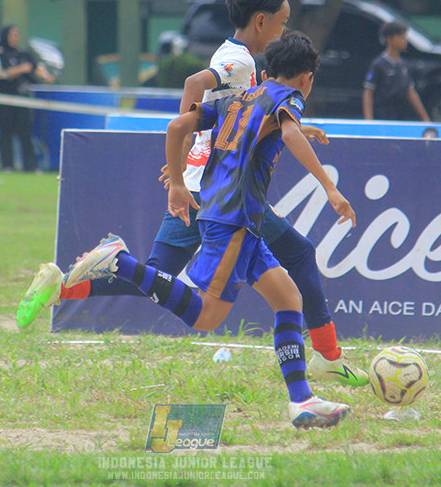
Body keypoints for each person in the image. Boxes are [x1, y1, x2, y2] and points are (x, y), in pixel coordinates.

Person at [18, 0, 368, 387]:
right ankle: (327, 358)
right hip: (223, 190)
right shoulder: (238, 62)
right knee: (300, 255)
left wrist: (197, 157)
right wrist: (184, 165)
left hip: (207, 185)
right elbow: (195, 83)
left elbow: (245, 117)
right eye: (282, 21)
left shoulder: (236, 53)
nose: (284, 29)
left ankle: (62, 288)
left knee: (159, 275)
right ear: (261, 21)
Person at [65, 32, 356, 428]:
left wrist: (182, 181)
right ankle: (120, 262)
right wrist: (331, 189)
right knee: (205, 318)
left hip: (233, 217)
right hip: (234, 220)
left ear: (268, 70)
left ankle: (302, 401)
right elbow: (286, 131)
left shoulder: (241, 98)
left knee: (288, 299)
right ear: (306, 77)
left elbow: (177, 126)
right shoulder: (291, 98)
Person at [0, 25, 53, 172]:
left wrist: (46, 76)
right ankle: (7, 165)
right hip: (3, 99)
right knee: (5, 132)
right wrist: (20, 69)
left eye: (16, 35)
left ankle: (30, 166)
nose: (14, 38)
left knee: (25, 133)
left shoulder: (23, 54)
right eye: (12, 35)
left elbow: (37, 68)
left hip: (22, 98)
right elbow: (1, 73)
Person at [363, 20, 431, 122]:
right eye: (401, 37)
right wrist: (369, 120)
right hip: (383, 116)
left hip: (400, 115)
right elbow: (368, 92)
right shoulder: (378, 64)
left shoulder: (403, 64)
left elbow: (410, 91)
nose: (405, 41)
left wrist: (425, 118)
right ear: (389, 39)